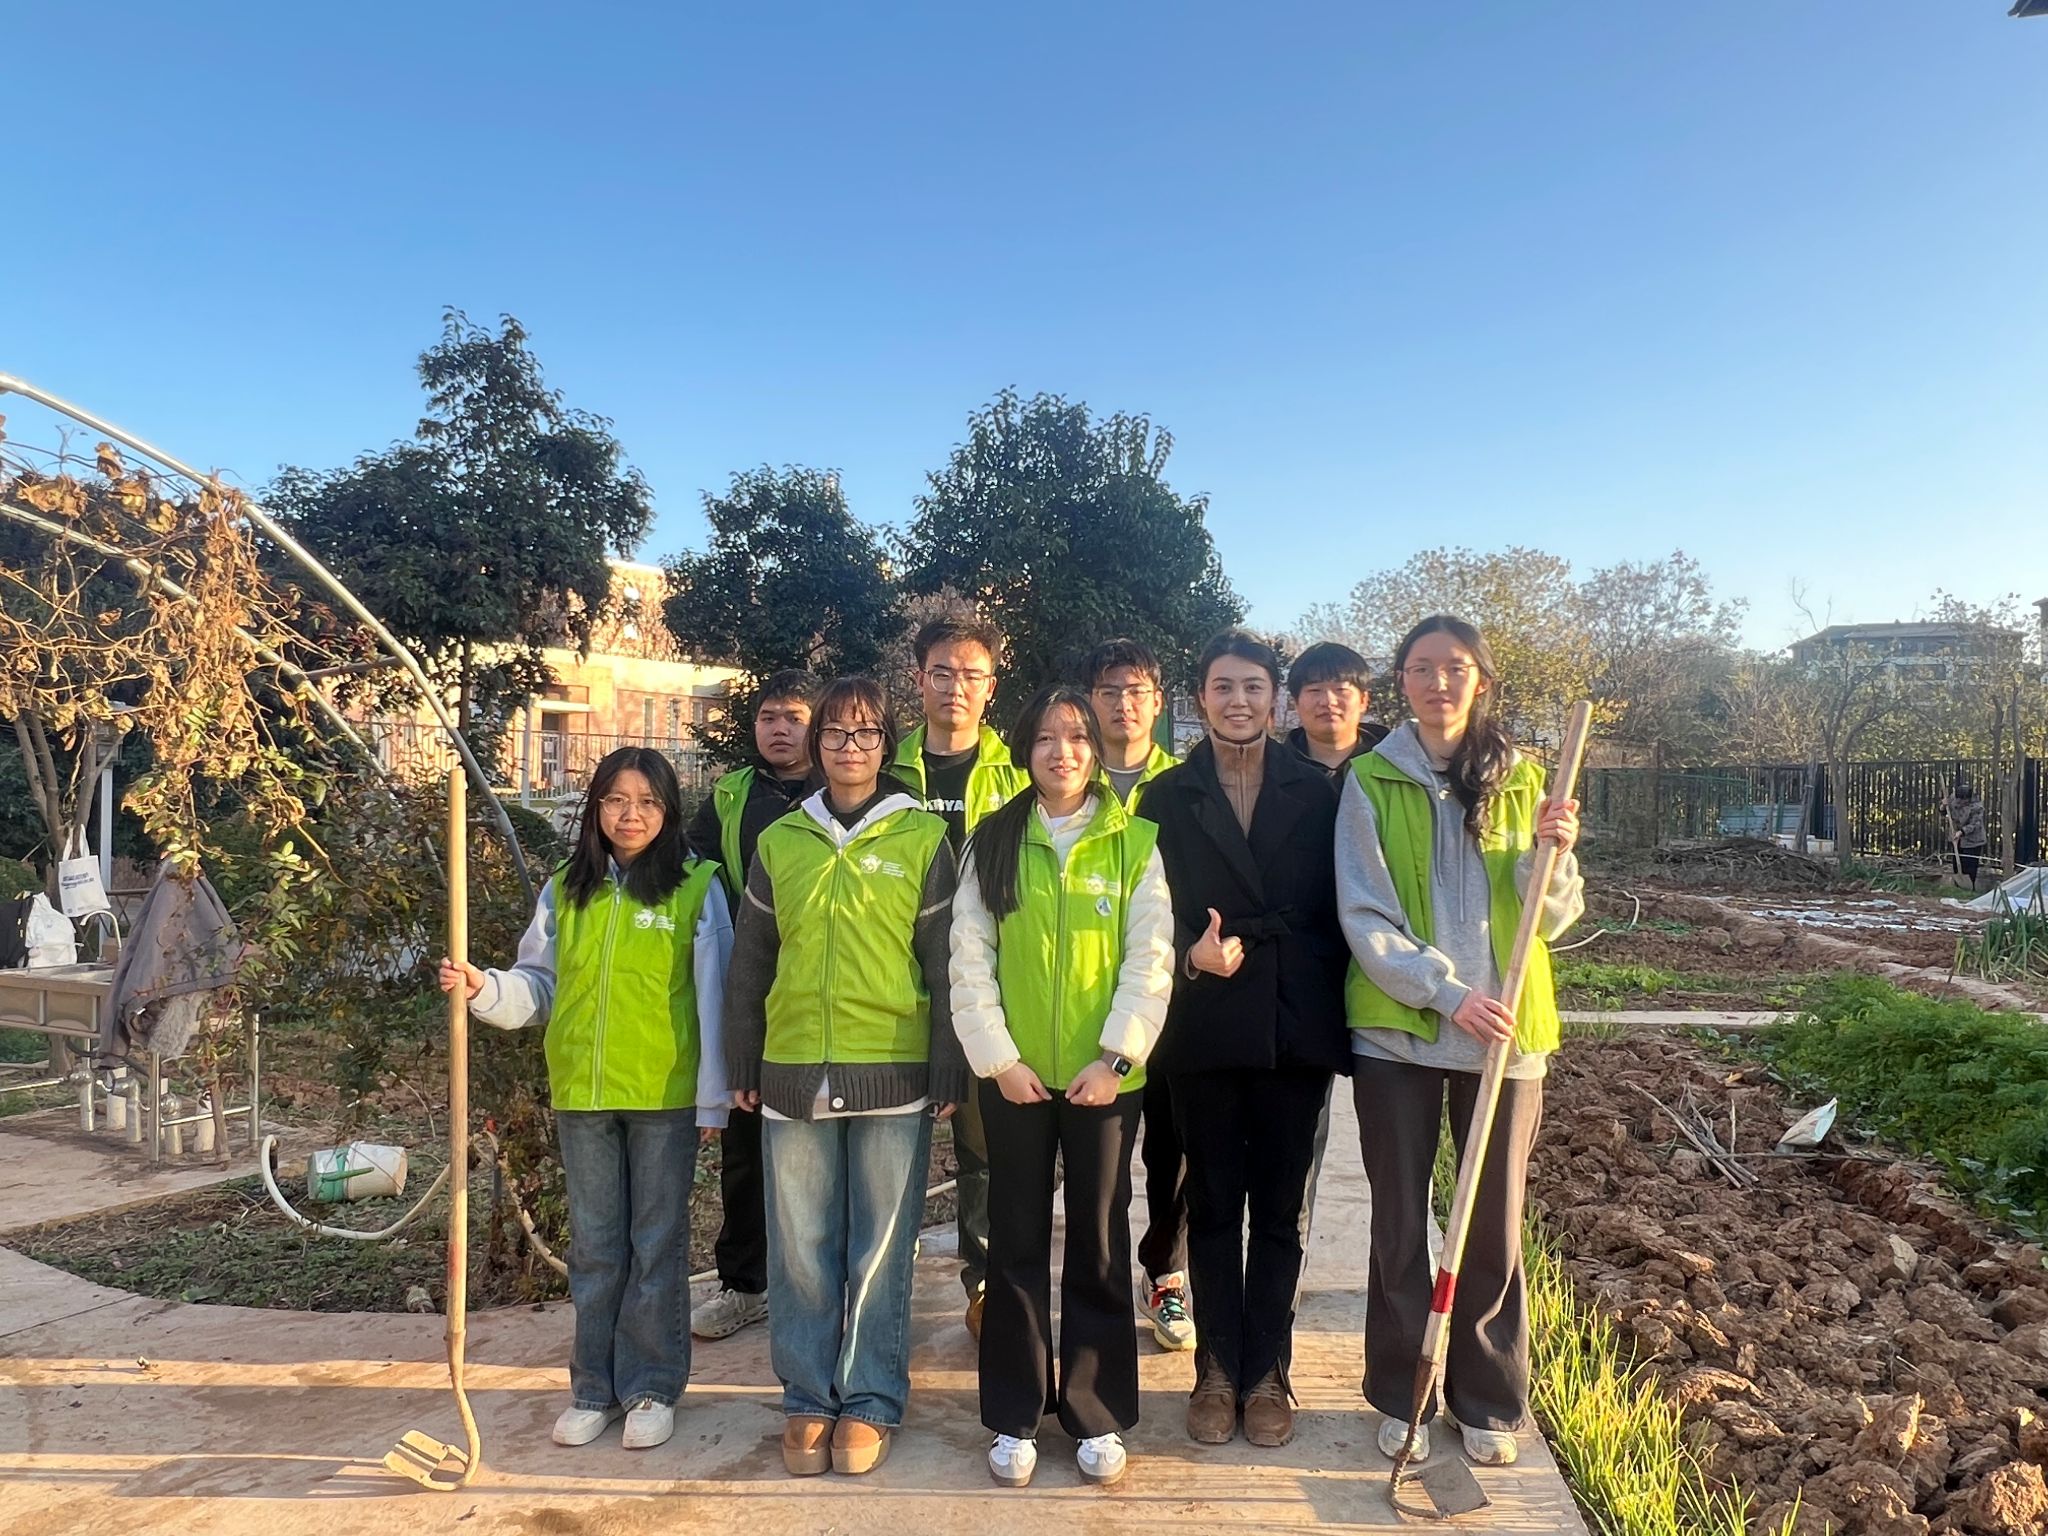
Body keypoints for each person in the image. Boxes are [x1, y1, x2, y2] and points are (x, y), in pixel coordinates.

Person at [1336, 614, 1582, 1470]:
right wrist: (1447, 994)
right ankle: (1401, 1395)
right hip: (1401, 1032)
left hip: (1507, 1035)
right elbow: (1365, 911)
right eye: (1421, 667)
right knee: (1400, 1224)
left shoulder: (1528, 782)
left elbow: (1551, 917)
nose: (1438, 682)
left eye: (1454, 667)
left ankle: (1487, 1399)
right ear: (1401, 681)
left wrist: (1554, 856)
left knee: (1493, 1227)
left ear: (1481, 679)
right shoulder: (1370, 778)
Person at [440, 747, 732, 1453]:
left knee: (655, 1246)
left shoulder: (696, 887)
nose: (631, 815)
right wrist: (485, 989)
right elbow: (539, 986)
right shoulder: (565, 891)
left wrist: (713, 1102)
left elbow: (716, 998)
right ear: (596, 808)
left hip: (662, 1097)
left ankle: (652, 1387)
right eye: (616, 800)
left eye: (648, 802)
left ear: (669, 811)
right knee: (597, 1249)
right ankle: (593, 1389)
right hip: (583, 1094)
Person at [724, 676, 966, 1478]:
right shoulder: (781, 841)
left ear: (885, 744)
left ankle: (869, 1397)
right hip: (792, 1069)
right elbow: (751, 960)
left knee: (879, 1248)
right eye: (835, 732)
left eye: (865, 733)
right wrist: (743, 1057)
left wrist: (948, 1063)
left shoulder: (923, 839)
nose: (849, 746)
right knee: (801, 1247)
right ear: (817, 744)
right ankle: (806, 1394)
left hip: (892, 1070)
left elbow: (944, 962)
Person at [950, 685, 1175, 1488]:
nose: (1063, 752)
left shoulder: (1133, 843)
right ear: (1024, 749)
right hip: (1013, 1080)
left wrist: (1115, 1060)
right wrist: (998, 1060)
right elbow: (969, 956)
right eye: (1045, 738)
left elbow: (1150, 960)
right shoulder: (992, 841)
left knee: (1100, 1240)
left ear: (1095, 749)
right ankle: (1014, 1413)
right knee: (1013, 1242)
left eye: (1077, 737)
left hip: (1104, 1084)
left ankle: (1095, 1409)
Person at [1137, 630, 1352, 1449]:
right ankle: (1216, 1371)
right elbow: (1141, 912)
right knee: (1214, 1204)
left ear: (1275, 698)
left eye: (1253, 687)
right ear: (1199, 699)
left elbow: (1341, 907)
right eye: (1223, 687)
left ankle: (1269, 1373)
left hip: (1295, 1019)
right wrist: (1187, 953)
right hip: (1204, 1020)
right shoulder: (1164, 797)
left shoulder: (1321, 792)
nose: (1238, 701)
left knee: (1283, 1211)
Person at [890, 615, 1029, 1340]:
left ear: (991, 688)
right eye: (941, 672)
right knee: (889, 1142)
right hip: (892, 980)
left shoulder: (1017, 775)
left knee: (983, 1150)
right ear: (919, 679)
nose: (955, 687)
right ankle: (882, 1288)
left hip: (983, 982)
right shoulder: (886, 771)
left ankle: (985, 1287)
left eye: (971, 675)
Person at [685, 669, 821, 1342]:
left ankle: (826, 1288)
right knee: (744, 1146)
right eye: (769, 717)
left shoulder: (845, 790)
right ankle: (744, 1285)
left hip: (827, 993)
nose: (779, 728)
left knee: (824, 1147)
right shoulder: (731, 795)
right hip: (750, 989)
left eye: (794, 717)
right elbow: (691, 871)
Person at [1079, 637, 1192, 1352]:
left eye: (1136, 691)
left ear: (1158, 702)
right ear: (1091, 701)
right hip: (1084, 1000)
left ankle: (1166, 1275)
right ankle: (1095, 1284)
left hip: (1168, 997)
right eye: (1109, 691)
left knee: (1173, 1151)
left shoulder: (1183, 787)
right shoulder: (1066, 779)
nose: (1123, 704)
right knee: (1100, 1159)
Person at [1286, 641, 1388, 782]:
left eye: (1341, 690)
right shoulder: (1273, 769)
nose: (1328, 701)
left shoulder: (1393, 763)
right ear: (1296, 703)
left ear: (1363, 700)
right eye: (1315, 690)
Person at [1944, 780, 1988, 888]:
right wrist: (1943, 806)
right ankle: (1958, 885)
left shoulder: (1977, 807)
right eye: (1957, 799)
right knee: (1957, 863)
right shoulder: (1953, 798)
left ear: (1967, 799)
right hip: (1956, 838)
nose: (1959, 802)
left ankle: (1969, 886)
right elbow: (1945, 811)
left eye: (1962, 800)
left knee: (1969, 865)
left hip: (1973, 840)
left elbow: (1975, 824)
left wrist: (1962, 832)